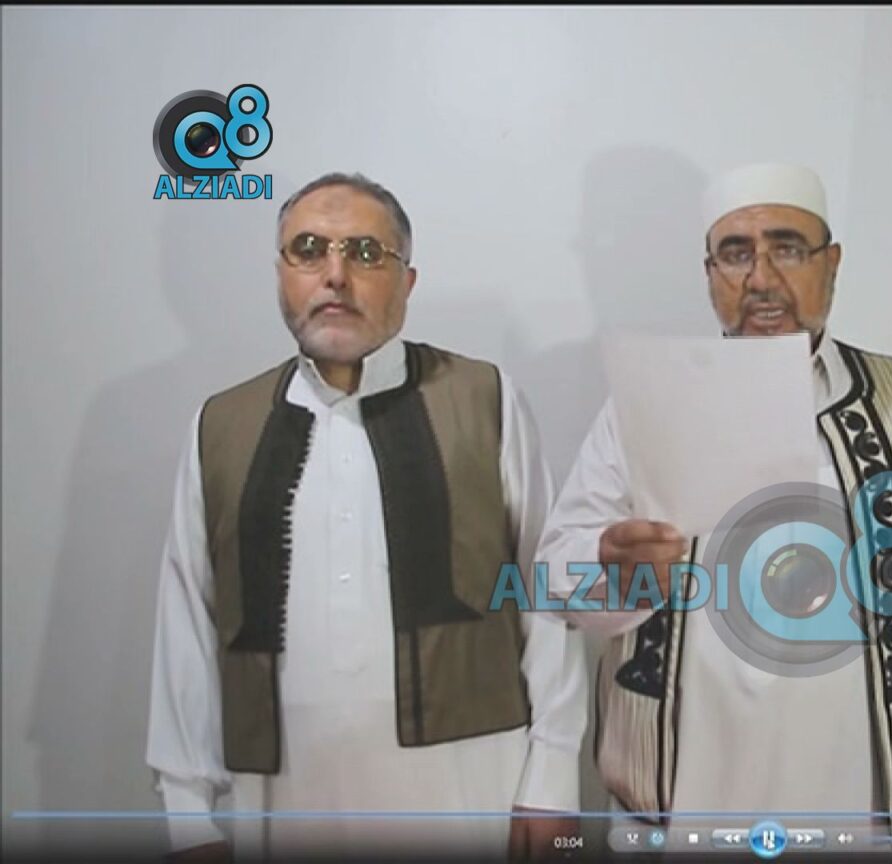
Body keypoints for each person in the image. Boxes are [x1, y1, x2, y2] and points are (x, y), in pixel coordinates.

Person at [535, 163, 892, 860]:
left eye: (788, 248)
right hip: (679, 809)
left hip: (862, 812)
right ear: (710, 274)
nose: (761, 278)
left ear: (832, 263)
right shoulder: (646, 404)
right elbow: (557, 577)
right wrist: (608, 566)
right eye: (736, 253)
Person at [146, 172, 586, 861]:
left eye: (365, 252)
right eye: (309, 250)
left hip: (473, 792)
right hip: (283, 800)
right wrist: (187, 815)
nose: (335, 275)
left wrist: (553, 779)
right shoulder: (222, 425)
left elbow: (544, 591)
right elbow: (188, 623)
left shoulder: (485, 398)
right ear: (280, 274)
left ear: (407, 282)